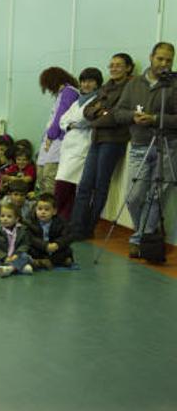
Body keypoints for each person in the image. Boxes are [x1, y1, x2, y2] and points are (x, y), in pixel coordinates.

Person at [111, 42, 177, 256]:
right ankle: (145, 232)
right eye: (160, 59)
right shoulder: (134, 84)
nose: (164, 64)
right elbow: (118, 113)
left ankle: (142, 239)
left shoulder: (174, 85)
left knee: (156, 196)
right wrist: (133, 117)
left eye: (169, 60)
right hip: (139, 144)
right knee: (133, 196)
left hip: (167, 146)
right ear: (151, 57)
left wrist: (156, 119)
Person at [70, 54, 134, 239]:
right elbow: (87, 111)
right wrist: (99, 112)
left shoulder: (130, 88)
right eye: (111, 65)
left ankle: (88, 228)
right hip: (97, 139)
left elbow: (116, 116)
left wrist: (98, 115)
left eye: (119, 65)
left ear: (128, 68)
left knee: (99, 186)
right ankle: (75, 228)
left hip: (113, 141)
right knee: (84, 185)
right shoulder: (106, 87)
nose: (113, 68)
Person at [53, 67, 101, 220]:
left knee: (64, 185)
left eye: (90, 81)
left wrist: (71, 124)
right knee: (67, 186)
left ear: (97, 83)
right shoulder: (78, 101)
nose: (86, 84)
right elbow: (62, 120)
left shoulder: (97, 100)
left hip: (82, 148)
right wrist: (70, 125)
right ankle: (61, 219)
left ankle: (59, 217)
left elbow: (86, 121)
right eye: (84, 81)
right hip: (68, 148)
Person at [35, 67, 81, 195]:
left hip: (58, 139)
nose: (48, 89)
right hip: (50, 139)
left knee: (49, 176)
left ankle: (50, 208)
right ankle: (42, 205)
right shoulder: (61, 93)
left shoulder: (69, 92)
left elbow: (61, 116)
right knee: (41, 175)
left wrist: (51, 135)